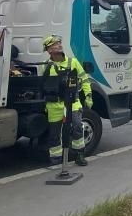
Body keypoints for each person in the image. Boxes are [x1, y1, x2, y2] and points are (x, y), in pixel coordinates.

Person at [40, 34, 93, 167]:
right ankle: (56, 160)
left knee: (76, 127)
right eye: (55, 44)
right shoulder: (46, 66)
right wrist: (44, 103)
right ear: (49, 50)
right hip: (53, 105)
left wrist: (88, 95)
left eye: (59, 43)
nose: (59, 45)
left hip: (72, 103)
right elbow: (42, 86)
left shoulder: (72, 62)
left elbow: (84, 79)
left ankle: (80, 155)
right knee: (54, 134)